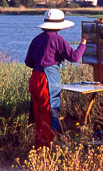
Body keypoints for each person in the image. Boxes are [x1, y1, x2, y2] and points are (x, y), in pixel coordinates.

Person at [25, 9, 88, 148]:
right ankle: (46, 153)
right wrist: (83, 43)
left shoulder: (37, 39)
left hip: (35, 77)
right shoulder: (57, 39)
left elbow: (28, 62)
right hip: (47, 79)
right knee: (49, 113)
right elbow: (74, 57)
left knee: (39, 115)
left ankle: (38, 149)